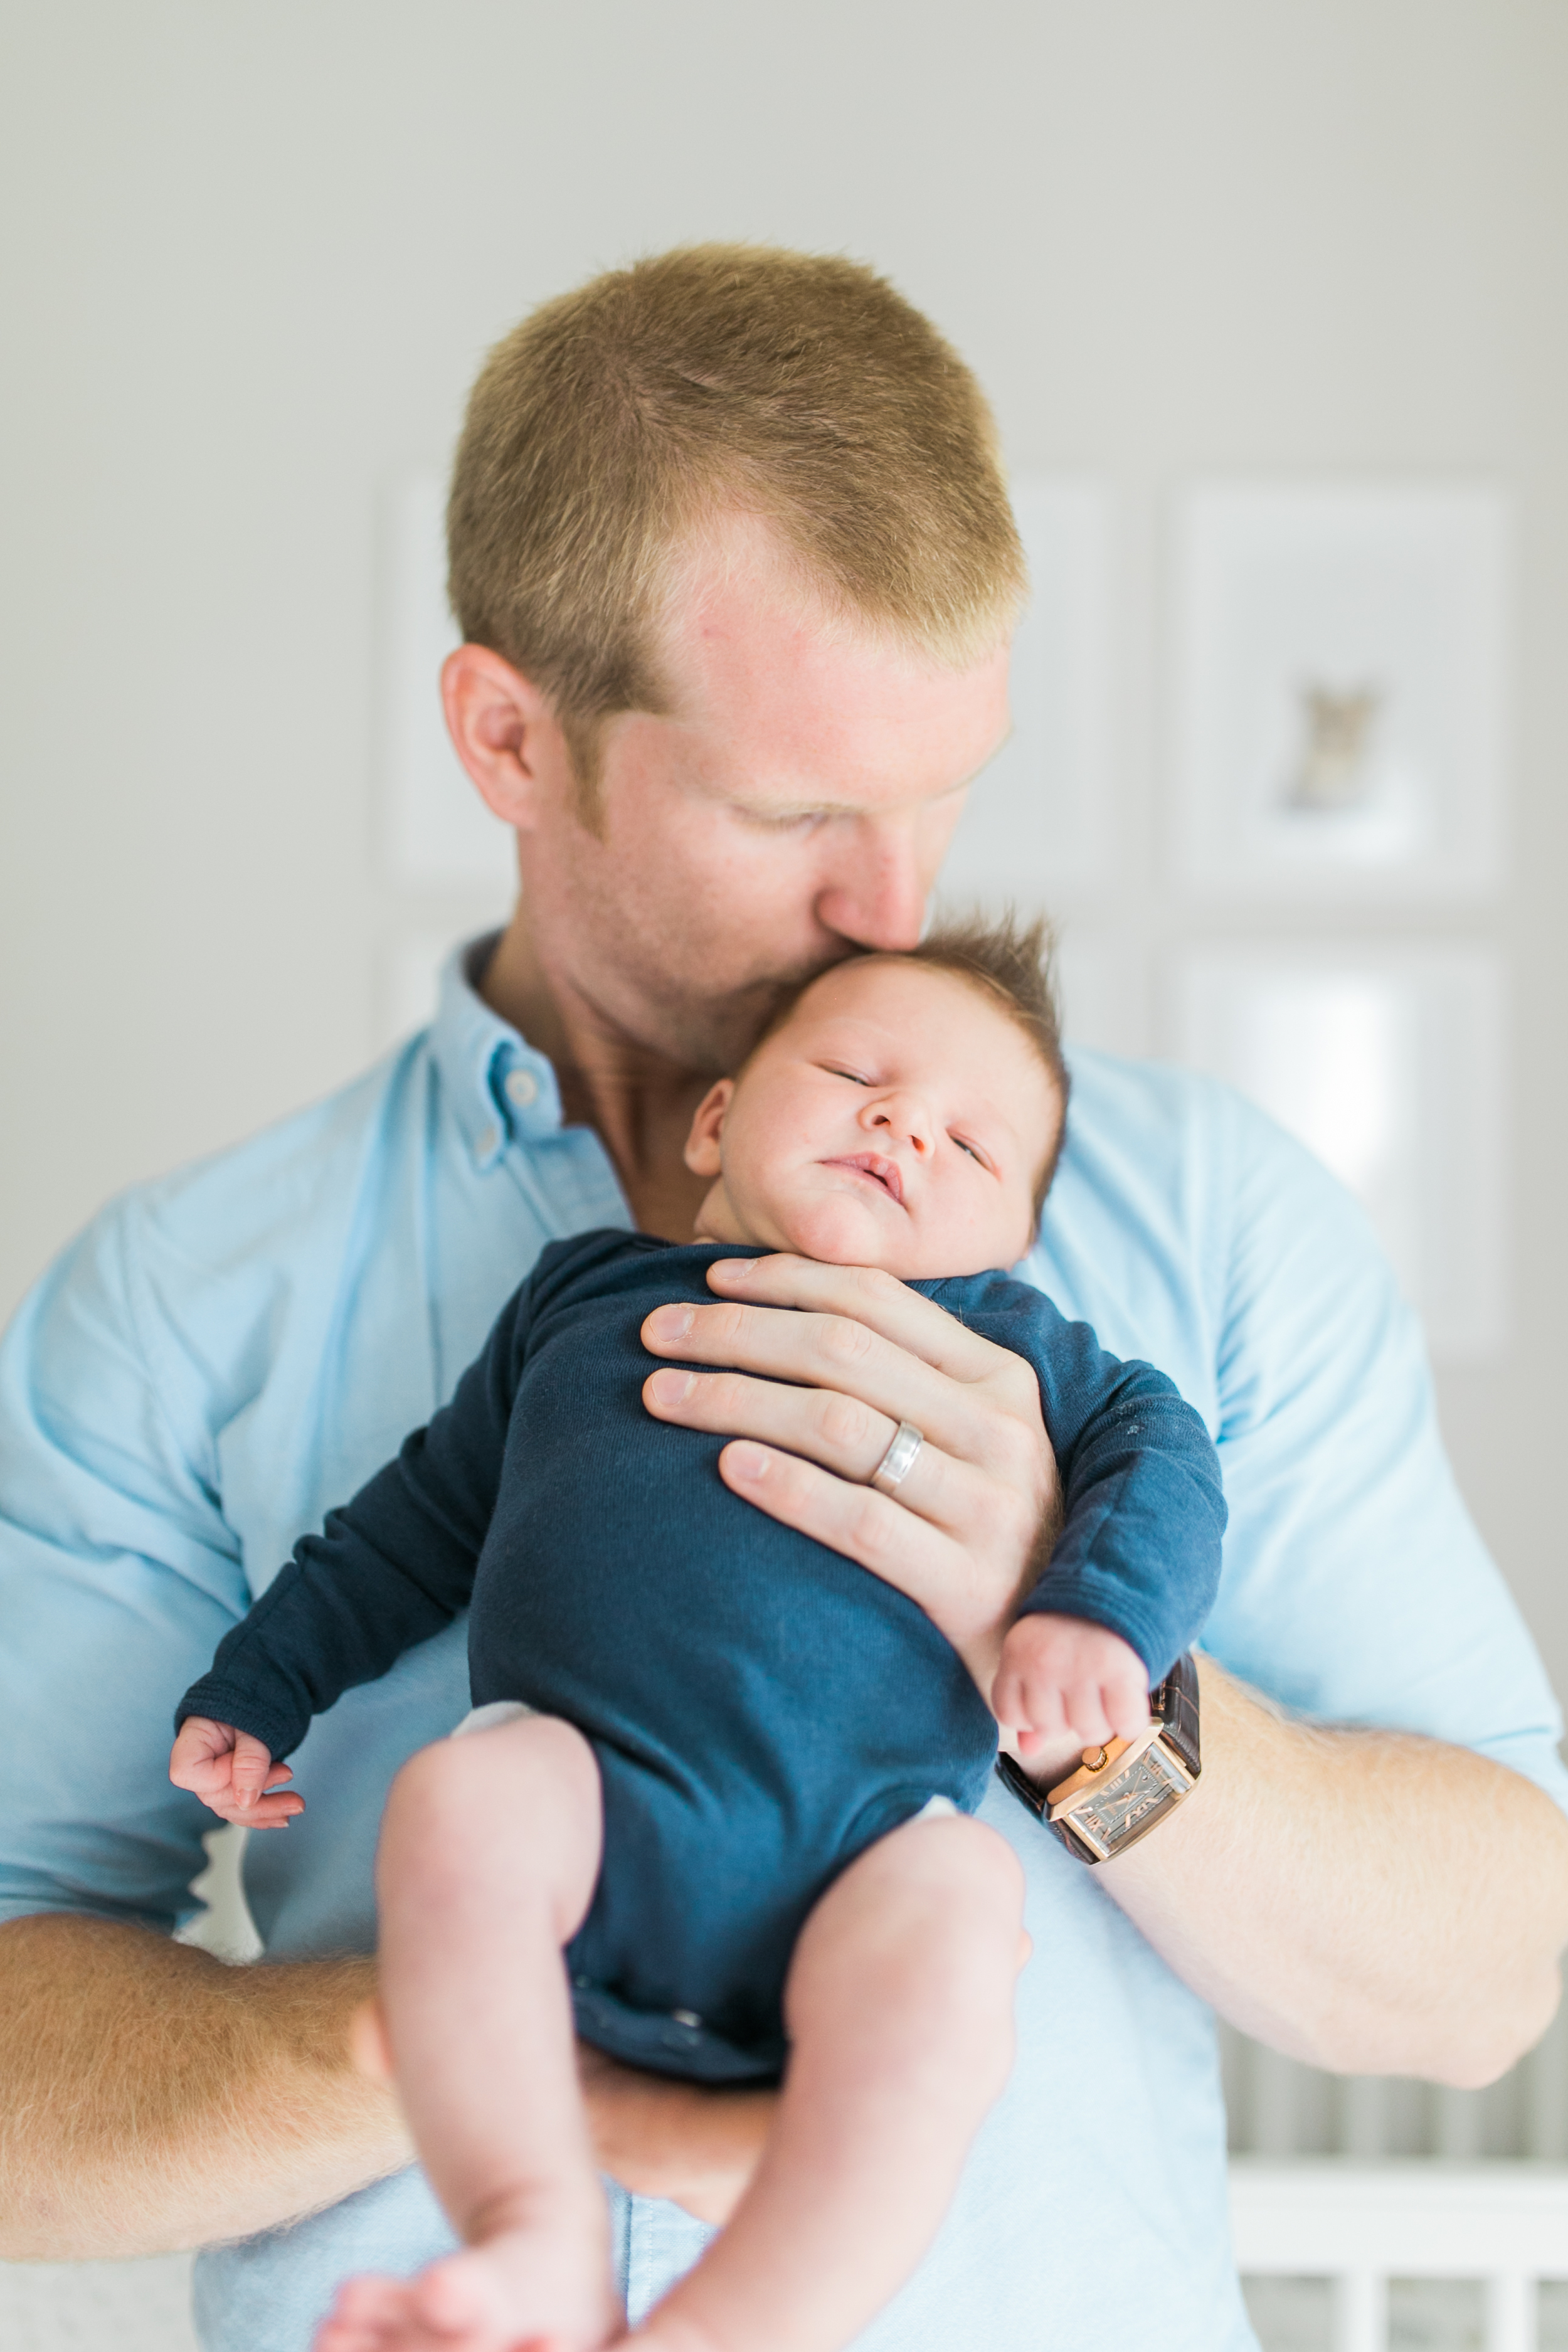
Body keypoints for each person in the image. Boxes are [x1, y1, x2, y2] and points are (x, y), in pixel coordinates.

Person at [1, 245, 1565, 2352]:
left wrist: (1080, 1660)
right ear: (508, 735)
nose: (896, 908)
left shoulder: (1204, 1223)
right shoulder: (187, 1304)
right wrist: (464, 2054)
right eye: (801, 808)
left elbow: (1492, 1975)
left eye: (942, 792)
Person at [168, 931, 1226, 2352]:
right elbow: (410, 1522)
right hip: (576, 1803)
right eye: (855, 1074)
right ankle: (531, 2232)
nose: (903, 1123)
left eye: (969, 1144)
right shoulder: (579, 1297)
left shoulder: (1015, 1347)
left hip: (868, 1854)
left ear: (1008, 1239)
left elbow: (1166, 1459)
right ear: (718, 1116)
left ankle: (734, 2327)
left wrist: (1096, 1612)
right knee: (458, 1795)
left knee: (963, 1929)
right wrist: (261, 1685)